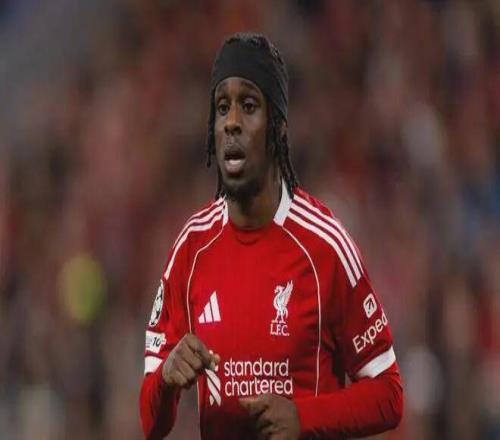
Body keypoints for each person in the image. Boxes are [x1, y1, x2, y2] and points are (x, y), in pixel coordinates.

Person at [139, 32, 403, 440]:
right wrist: (167, 380)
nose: (231, 122)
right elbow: (151, 422)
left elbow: (388, 394)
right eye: (222, 108)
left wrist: (304, 418)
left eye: (248, 106)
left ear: (278, 127)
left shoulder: (325, 246)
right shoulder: (190, 249)